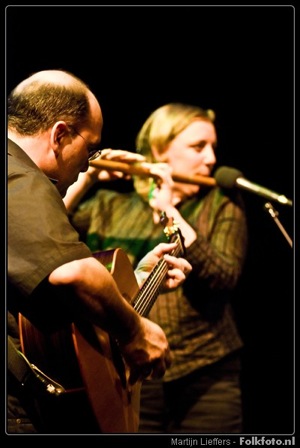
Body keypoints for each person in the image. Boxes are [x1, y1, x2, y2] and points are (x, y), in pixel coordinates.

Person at [7, 72, 192, 435]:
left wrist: (136, 280)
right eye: (89, 148)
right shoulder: (19, 176)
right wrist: (135, 329)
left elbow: (49, 293)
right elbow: (71, 273)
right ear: (59, 135)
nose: (89, 163)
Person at [64, 102, 249, 434]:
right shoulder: (109, 205)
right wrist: (88, 176)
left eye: (212, 148)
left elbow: (222, 277)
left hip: (207, 375)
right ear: (159, 150)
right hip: (131, 372)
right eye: (198, 147)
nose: (210, 159)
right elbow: (39, 230)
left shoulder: (221, 203)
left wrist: (168, 209)